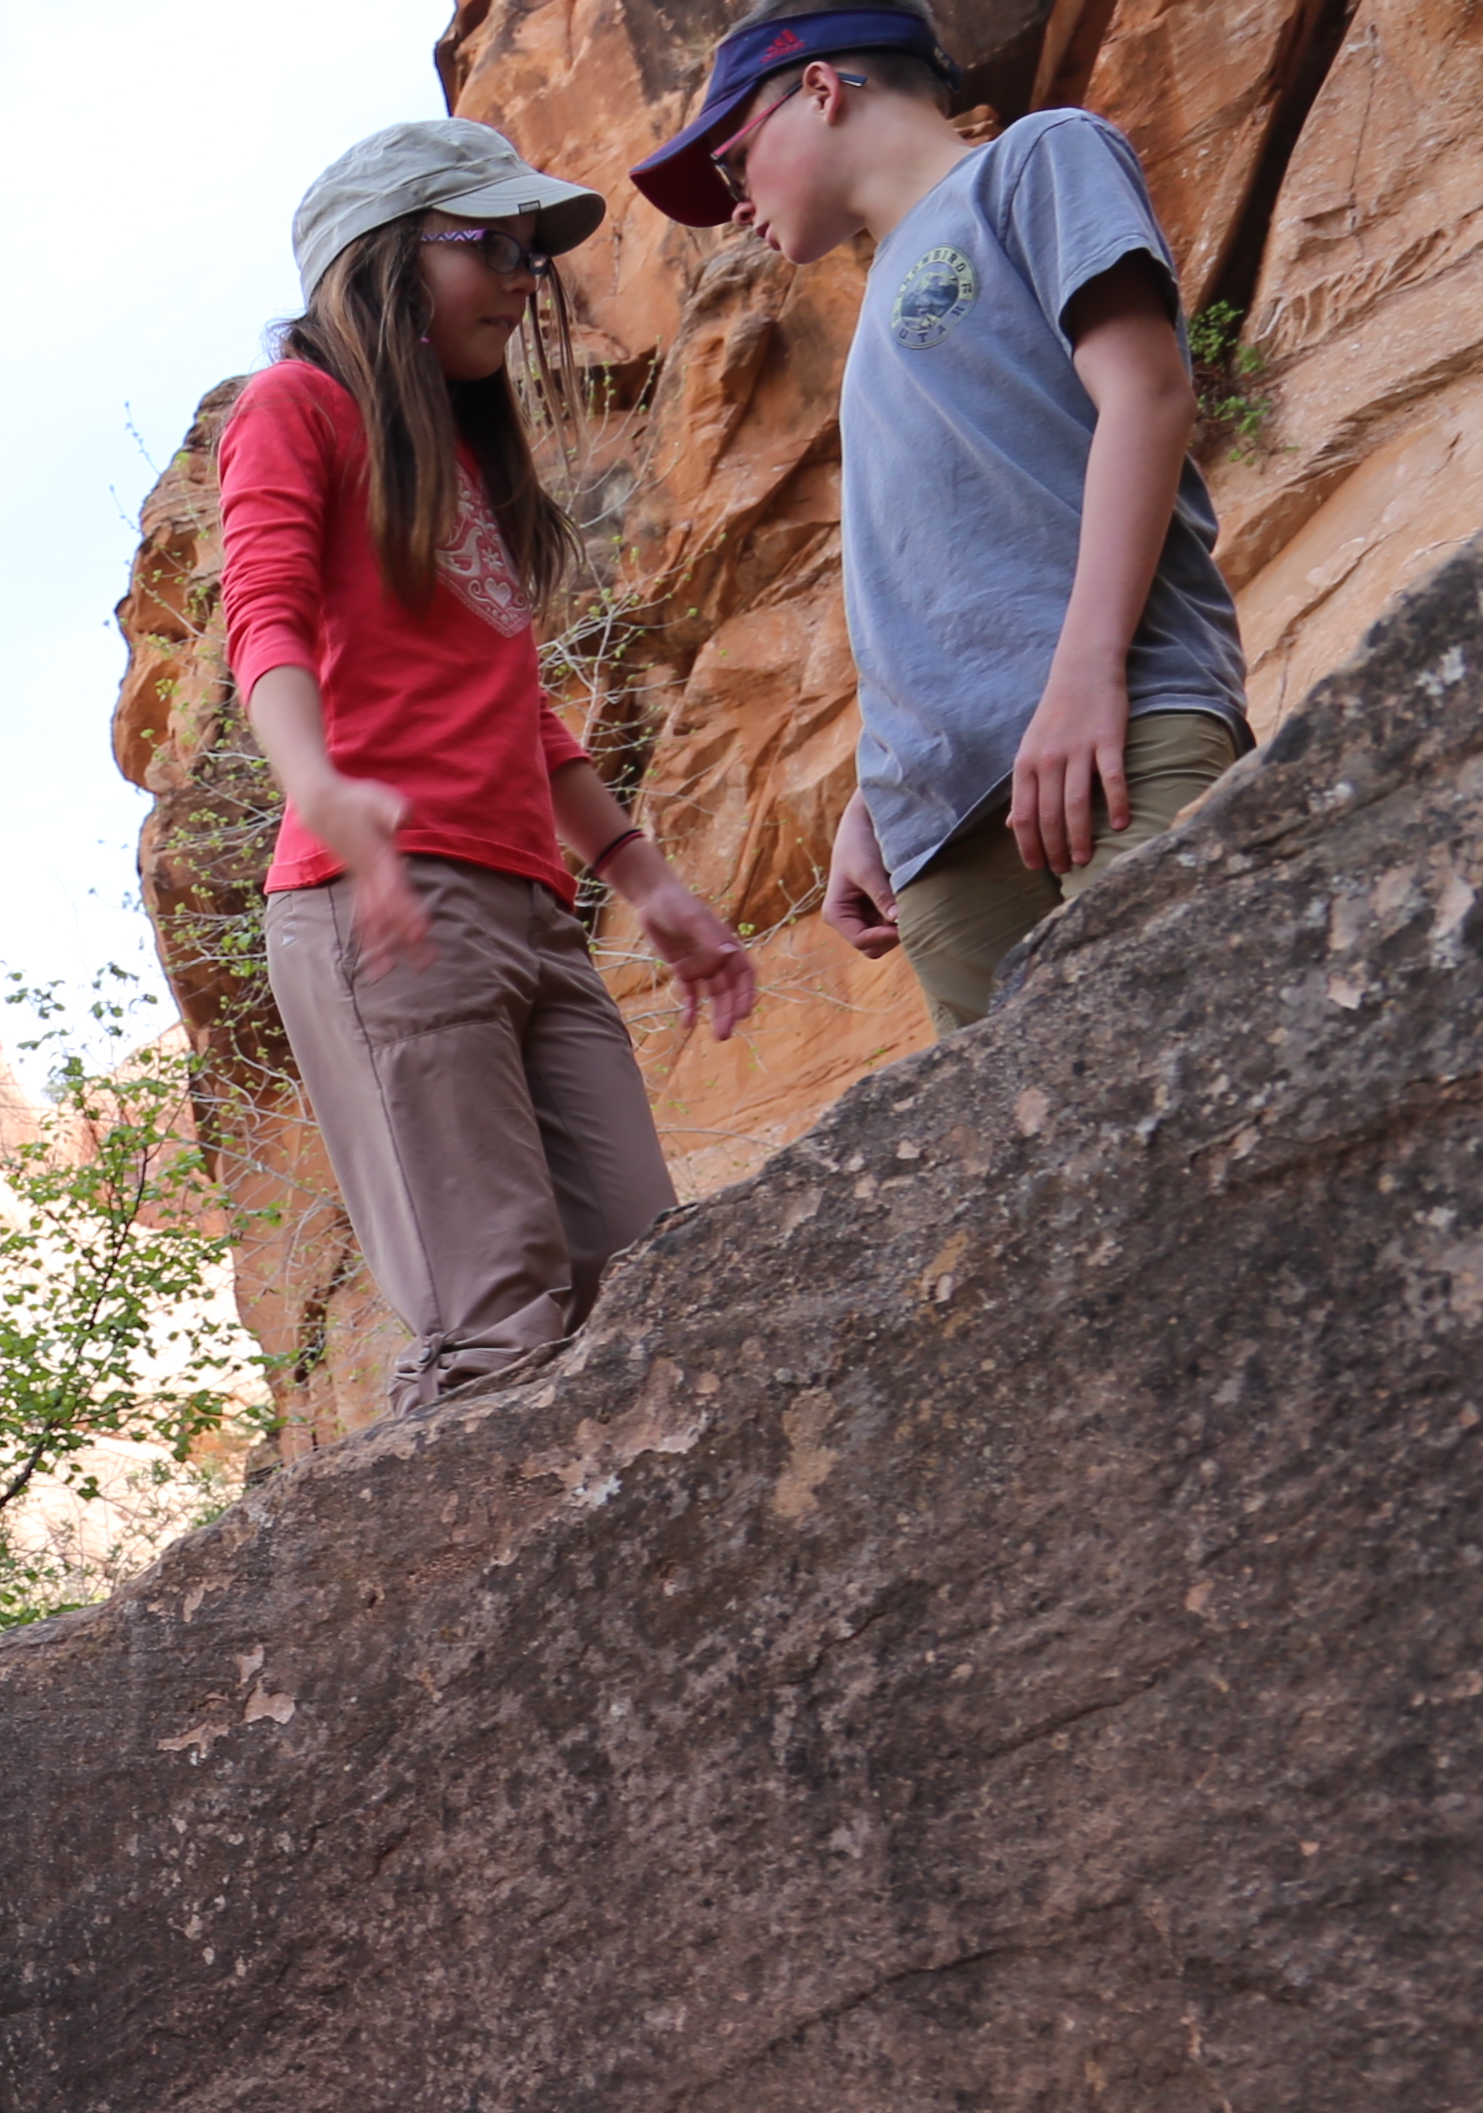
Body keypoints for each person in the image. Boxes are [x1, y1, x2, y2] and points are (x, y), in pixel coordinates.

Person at [227, 120, 762, 1421]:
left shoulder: (460, 466)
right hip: (390, 903)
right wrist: (322, 788)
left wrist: (650, 885)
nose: (527, 280)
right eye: (493, 247)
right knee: (497, 1320)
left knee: (647, 1276)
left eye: (533, 254)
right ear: (383, 258)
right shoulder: (298, 406)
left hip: (532, 916)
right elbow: (266, 621)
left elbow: (522, 719)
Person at [636, 9, 1249, 1028]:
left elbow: (1146, 396)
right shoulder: (874, 318)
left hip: (1113, 736)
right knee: (1039, 1174)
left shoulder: (1034, 160)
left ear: (823, 89)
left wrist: (1086, 673)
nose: (734, 208)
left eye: (735, 164)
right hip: (938, 830)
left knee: (1188, 1093)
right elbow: (931, 563)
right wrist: (884, 790)